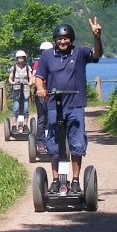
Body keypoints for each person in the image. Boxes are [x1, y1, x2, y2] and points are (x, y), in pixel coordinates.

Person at [33, 18, 103, 194]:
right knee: (54, 145)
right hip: (53, 106)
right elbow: (39, 77)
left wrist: (96, 37)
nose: (63, 41)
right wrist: (41, 88)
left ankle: (75, 181)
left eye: (66, 38)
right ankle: (56, 181)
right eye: (59, 39)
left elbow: (96, 55)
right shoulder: (47, 55)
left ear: (71, 39)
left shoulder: (79, 53)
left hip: (75, 105)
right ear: (55, 40)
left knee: (77, 143)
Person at [8, 50, 32, 132]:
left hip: (25, 90)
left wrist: (30, 82)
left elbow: (31, 77)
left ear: (24, 58)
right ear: (17, 59)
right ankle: (14, 126)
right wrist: (12, 82)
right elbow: (10, 78)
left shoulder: (28, 67)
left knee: (25, 109)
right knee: (16, 108)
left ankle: (25, 125)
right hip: (16, 90)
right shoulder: (13, 68)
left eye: (22, 58)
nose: (21, 60)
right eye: (19, 58)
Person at [32, 41, 53, 135]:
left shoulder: (54, 63)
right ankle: (40, 140)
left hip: (52, 91)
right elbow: (34, 78)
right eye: (44, 51)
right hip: (41, 91)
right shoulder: (37, 64)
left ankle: (53, 138)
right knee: (42, 116)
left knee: (52, 115)